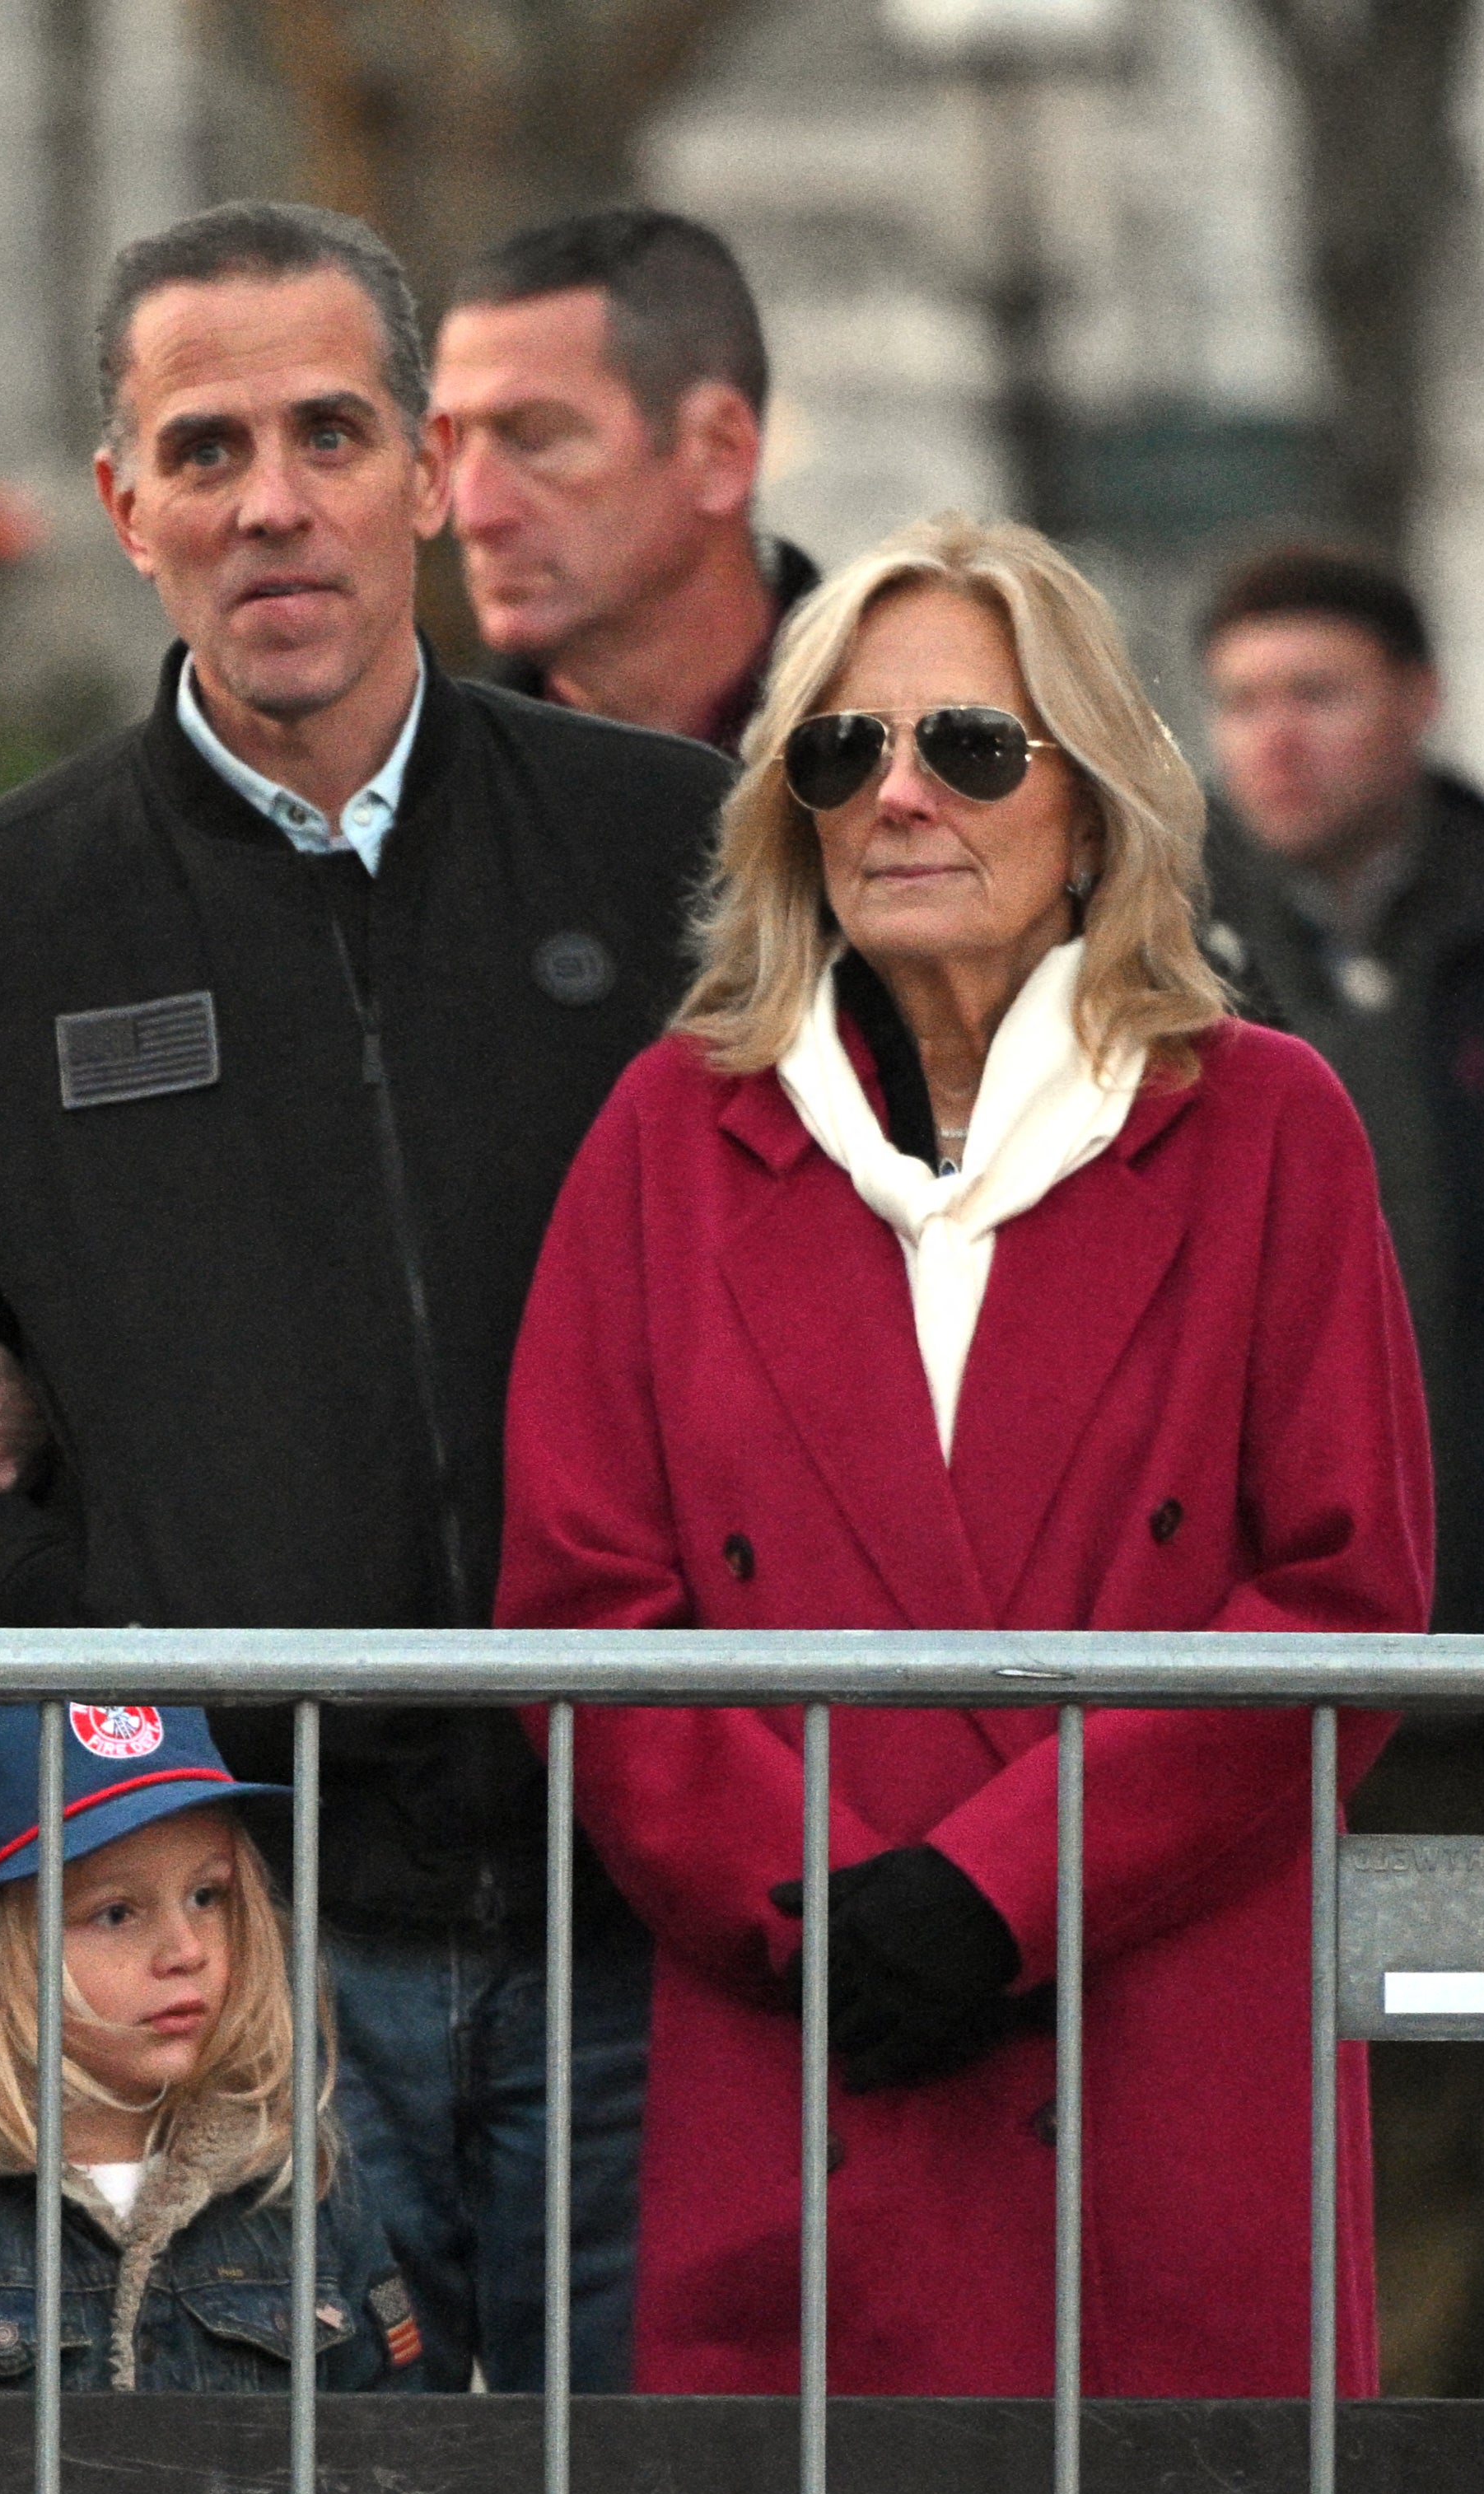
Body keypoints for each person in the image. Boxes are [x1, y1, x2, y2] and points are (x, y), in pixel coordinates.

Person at [0, 198, 732, 2394]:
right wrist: (138, 1763)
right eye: (205, 449)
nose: (271, 501)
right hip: (250, 1973)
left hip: (655, 1939)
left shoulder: (670, 857)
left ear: (425, 473)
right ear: (124, 501)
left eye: (327, 431)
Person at [498, 516, 1431, 2394]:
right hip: (803, 2044)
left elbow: (1338, 1592)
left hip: (1162, 2051)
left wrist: (994, 1890)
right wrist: (817, 1906)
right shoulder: (668, 1138)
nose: (898, 798)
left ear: (1086, 810)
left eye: (969, 749)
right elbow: (581, 1605)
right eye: (841, 752)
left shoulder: (1264, 1126)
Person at [1202, 540, 1484, 2396]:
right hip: (1304, 1686)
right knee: (1358, 2101)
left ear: (1414, 702)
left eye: (1314, 692)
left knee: (1444, 2097)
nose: (1275, 739)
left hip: (1473, 1665)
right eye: (1238, 701)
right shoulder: (1161, 956)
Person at [0, 1702, 418, 2393]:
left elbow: (395, 2459)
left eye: (207, 1895)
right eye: (115, 1913)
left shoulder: (300, 2170)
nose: (186, 1950)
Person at [435, 206, 819, 749]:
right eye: (449, 446)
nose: (472, 512)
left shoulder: (920, 766)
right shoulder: (415, 805)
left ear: (717, 452)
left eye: (537, 438)